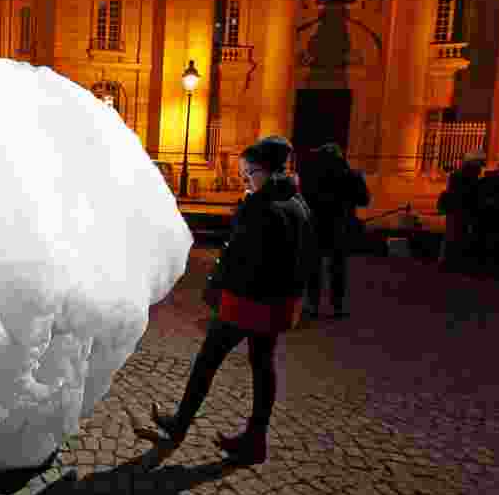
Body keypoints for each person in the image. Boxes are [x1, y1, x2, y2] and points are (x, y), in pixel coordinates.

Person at [151, 136, 316, 465]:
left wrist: (216, 290)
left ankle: (179, 424)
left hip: (247, 301)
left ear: (265, 171)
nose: (245, 180)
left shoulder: (260, 205)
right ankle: (257, 439)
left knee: (207, 360)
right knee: (263, 366)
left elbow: (238, 255)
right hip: (278, 303)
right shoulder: (298, 203)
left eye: (247, 173)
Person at [300, 142, 370, 318]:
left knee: (314, 266)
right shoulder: (349, 174)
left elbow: (303, 199)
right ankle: (336, 305)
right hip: (340, 224)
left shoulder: (311, 173)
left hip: (315, 224)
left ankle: (312, 304)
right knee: (337, 266)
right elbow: (364, 199)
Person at [437, 151, 485, 273]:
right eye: (479, 164)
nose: (480, 167)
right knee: (455, 235)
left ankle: (449, 262)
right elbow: (469, 195)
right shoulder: (466, 177)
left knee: (454, 235)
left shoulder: (459, 175)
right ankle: (450, 262)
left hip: (457, 209)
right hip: (460, 210)